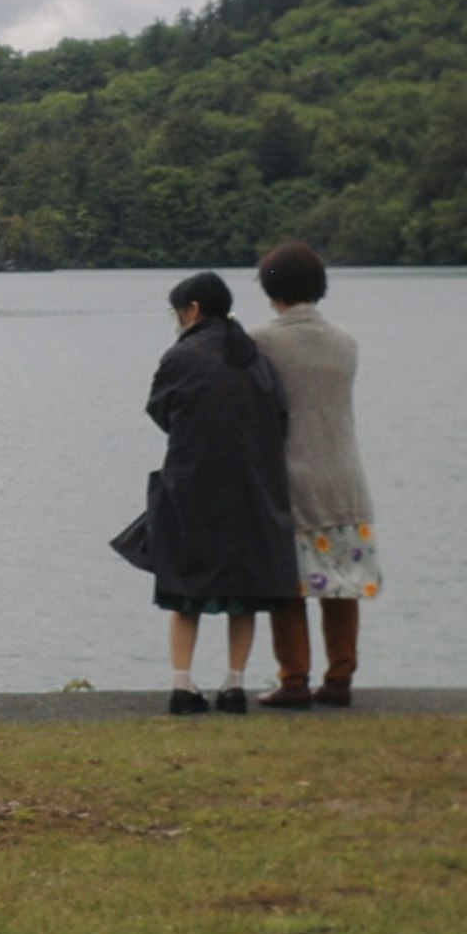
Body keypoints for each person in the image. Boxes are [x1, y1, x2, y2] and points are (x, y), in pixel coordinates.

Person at [108, 271, 297, 714]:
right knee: (243, 593)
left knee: (184, 587)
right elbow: (279, 418)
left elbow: (161, 411)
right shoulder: (254, 357)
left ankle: (182, 683)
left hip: (191, 485)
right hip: (251, 489)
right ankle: (234, 685)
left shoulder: (181, 357)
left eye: (177, 312)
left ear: (192, 310)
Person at [251, 238, 378, 708]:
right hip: (345, 477)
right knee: (341, 584)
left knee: (289, 585)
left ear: (272, 288)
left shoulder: (263, 341)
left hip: (291, 479)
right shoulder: (347, 342)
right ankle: (340, 677)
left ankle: (294, 680)